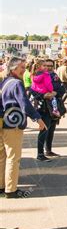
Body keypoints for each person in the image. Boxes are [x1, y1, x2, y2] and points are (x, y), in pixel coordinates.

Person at [0, 57, 46, 198]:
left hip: (2, 122)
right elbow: (25, 104)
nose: (24, 70)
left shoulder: (4, 82)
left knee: (2, 156)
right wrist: (38, 118)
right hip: (12, 124)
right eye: (21, 67)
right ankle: (11, 190)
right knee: (13, 157)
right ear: (13, 68)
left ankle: (2, 186)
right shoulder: (17, 84)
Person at [33, 59, 65, 161]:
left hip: (55, 107)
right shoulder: (38, 76)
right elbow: (32, 91)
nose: (48, 67)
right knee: (44, 130)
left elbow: (62, 89)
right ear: (42, 66)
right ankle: (40, 154)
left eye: (51, 65)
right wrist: (44, 95)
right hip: (44, 107)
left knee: (51, 129)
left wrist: (55, 93)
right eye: (46, 65)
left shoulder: (55, 76)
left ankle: (48, 150)